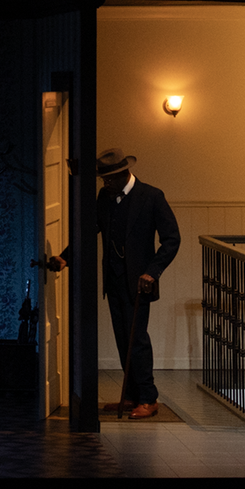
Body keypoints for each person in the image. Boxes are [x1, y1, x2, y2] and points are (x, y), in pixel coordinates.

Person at [94, 148, 179, 417]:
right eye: (103, 179)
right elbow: (90, 230)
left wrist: (152, 272)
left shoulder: (151, 196)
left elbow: (172, 239)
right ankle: (131, 395)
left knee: (137, 339)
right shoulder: (105, 197)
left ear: (123, 174)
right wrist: (65, 257)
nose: (105, 184)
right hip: (114, 280)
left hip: (139, 283)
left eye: (109, 179)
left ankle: (148, 398)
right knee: (123, 339)